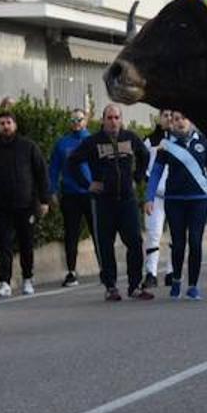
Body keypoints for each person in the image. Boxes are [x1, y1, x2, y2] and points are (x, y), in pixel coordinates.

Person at [70, 103, 152, 301]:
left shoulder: (130, 138)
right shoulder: (93, 142)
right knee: (105, 245)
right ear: (103, 120)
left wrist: (138, 176)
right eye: (109, 118)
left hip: (127, 200)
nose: (113, 122)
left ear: (121, 119)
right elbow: (72, 162)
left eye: (116, 118)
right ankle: (111, 286)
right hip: (103, 202)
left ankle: (134, 286)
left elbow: (145, 155)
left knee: (135, 242)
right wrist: (87, 184)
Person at [145, 111, 207, 300]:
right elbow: (156, 173)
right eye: (176, 119)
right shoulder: (166, 146)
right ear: (171, 123)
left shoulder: (203, 143)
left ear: (190, 120)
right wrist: (149, 198)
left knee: (196, 242)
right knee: (178, 243)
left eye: (184, 118)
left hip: (199, 199)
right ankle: (175, 279)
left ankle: (193, 285)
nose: (180, 122)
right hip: (175, 200)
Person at [0, 111, 49, 297]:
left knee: (26, 244)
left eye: (8, 122)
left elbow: (41, 173)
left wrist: (44, 200)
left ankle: (27, 279)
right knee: (4, 245)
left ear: (15, 125)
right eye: (2, 123)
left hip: (26, 205)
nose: (5, 126)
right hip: (2, 207)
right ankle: (4, 282)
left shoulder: (29, 147)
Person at [48, 107, 97, 287]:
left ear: (86, 121)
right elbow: (53, 169)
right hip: (70, 194)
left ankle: (104, 268)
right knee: (71, 234)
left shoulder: (92, 141)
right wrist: (52, 190)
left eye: (79, 119)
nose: (76, 123)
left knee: (98, 232)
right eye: (73, 120)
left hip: (92, 194)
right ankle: (71, 271)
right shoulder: (62, 144)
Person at [141, 109, 174, 289]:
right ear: (158, 118)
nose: (168, 118)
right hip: (157, 195)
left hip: (176, 195)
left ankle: (171, 271)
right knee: (154, 234)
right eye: (165, 115)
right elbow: (144, 167)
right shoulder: (149, 141)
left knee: (175, 235)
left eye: (171, 115)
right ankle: (151, 273)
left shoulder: (179, 140)